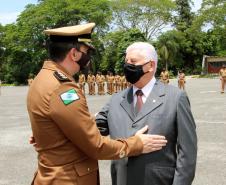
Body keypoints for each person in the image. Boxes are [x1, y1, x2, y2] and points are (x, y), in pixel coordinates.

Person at [27, 23, 167, 185]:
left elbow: (55, 124)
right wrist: (137, 144)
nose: (88, 58)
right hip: (67, 179)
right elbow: (96, 146)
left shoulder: (43, 78)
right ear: (74, 54)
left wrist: (50, 136)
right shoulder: (63, 88)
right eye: (86, 52)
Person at [96, 42, 197, 185]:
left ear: (151, 65)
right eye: (126, 62)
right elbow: (91, 131)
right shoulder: (116, 99)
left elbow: (187, 153)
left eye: (133, 62)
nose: (127, 66)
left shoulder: (175, 97)